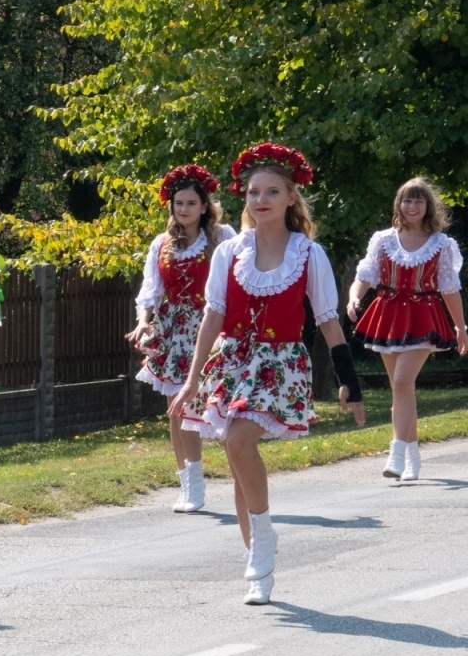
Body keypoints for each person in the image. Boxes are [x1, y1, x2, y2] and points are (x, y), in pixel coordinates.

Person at [168, 143, 365, 606]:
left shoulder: (308, 253)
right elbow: (212, 318)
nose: (261, 200)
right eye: (254, 192)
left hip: (280, 365)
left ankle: (263, 538)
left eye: (272, 192)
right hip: (233, 360)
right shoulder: (229, 253)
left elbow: (328, 321)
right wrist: (192, 378)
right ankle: (258, 562)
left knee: (238, 443)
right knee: (238, 465)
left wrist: (349, 382)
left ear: (291, 198)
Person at [127, 164, 236, 512]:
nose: (184, 209)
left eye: (191, 203)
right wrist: (144, 321)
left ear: (204, 206)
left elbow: (238, 279)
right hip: (174, 331)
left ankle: (241, 474)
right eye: (178, 204)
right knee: (176, 409)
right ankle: (190, 485)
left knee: (216, 408)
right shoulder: (161, 244)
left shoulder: (222, 237)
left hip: (210, 328)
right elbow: (150, 290)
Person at [346, 177, 467, 481]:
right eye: (407, 200)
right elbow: (367, 273)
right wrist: (354, 296)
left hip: (423, 315)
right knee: (402, 389)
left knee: (402, 382)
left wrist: (461, 327)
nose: (412, 206)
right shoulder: (383, 239)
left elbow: (449, 288)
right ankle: (412, 458)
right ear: (399, 204)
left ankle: (396, 451)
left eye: (419, 201)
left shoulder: (441, 244)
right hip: (387, 313)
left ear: (428, 206)